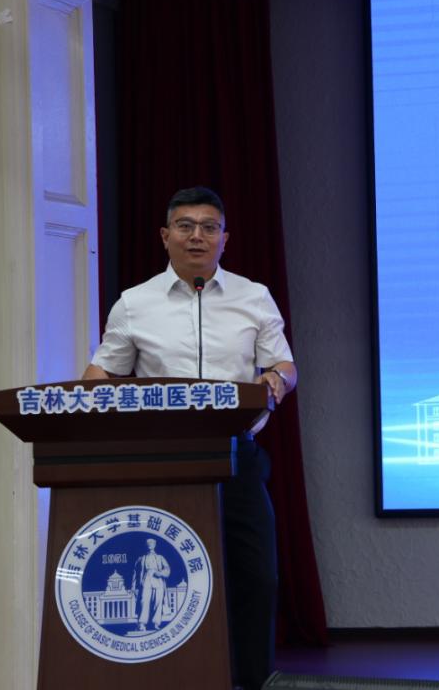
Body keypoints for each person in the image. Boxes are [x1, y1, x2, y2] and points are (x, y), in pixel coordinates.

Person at [83, 186, 296, 690]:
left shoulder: (253, 296)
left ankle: (250, 681)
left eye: (208, 227)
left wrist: (276, 380)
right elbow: (102, 372)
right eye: (185, 226)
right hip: (161, 461)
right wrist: (91, 399)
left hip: (236, 455)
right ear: (165, 236)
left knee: (256, 575)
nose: (196, 236)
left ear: (224, 238)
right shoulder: (135, 303)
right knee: (175, 578)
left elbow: (284, 365)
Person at [132, 537, 171, 631]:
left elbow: (167, 569)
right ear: (145, 545)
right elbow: (135, 574)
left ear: (155, 545)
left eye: (152, 543)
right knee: (144, 601)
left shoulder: (160, 557)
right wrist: (134, 587)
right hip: (146, 579)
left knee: (158, 601)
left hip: (158, 580)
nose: (150, 544)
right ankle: (142, 623)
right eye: (148, 543)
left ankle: (155, 623)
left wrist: (160, 573)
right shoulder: (141, 558)